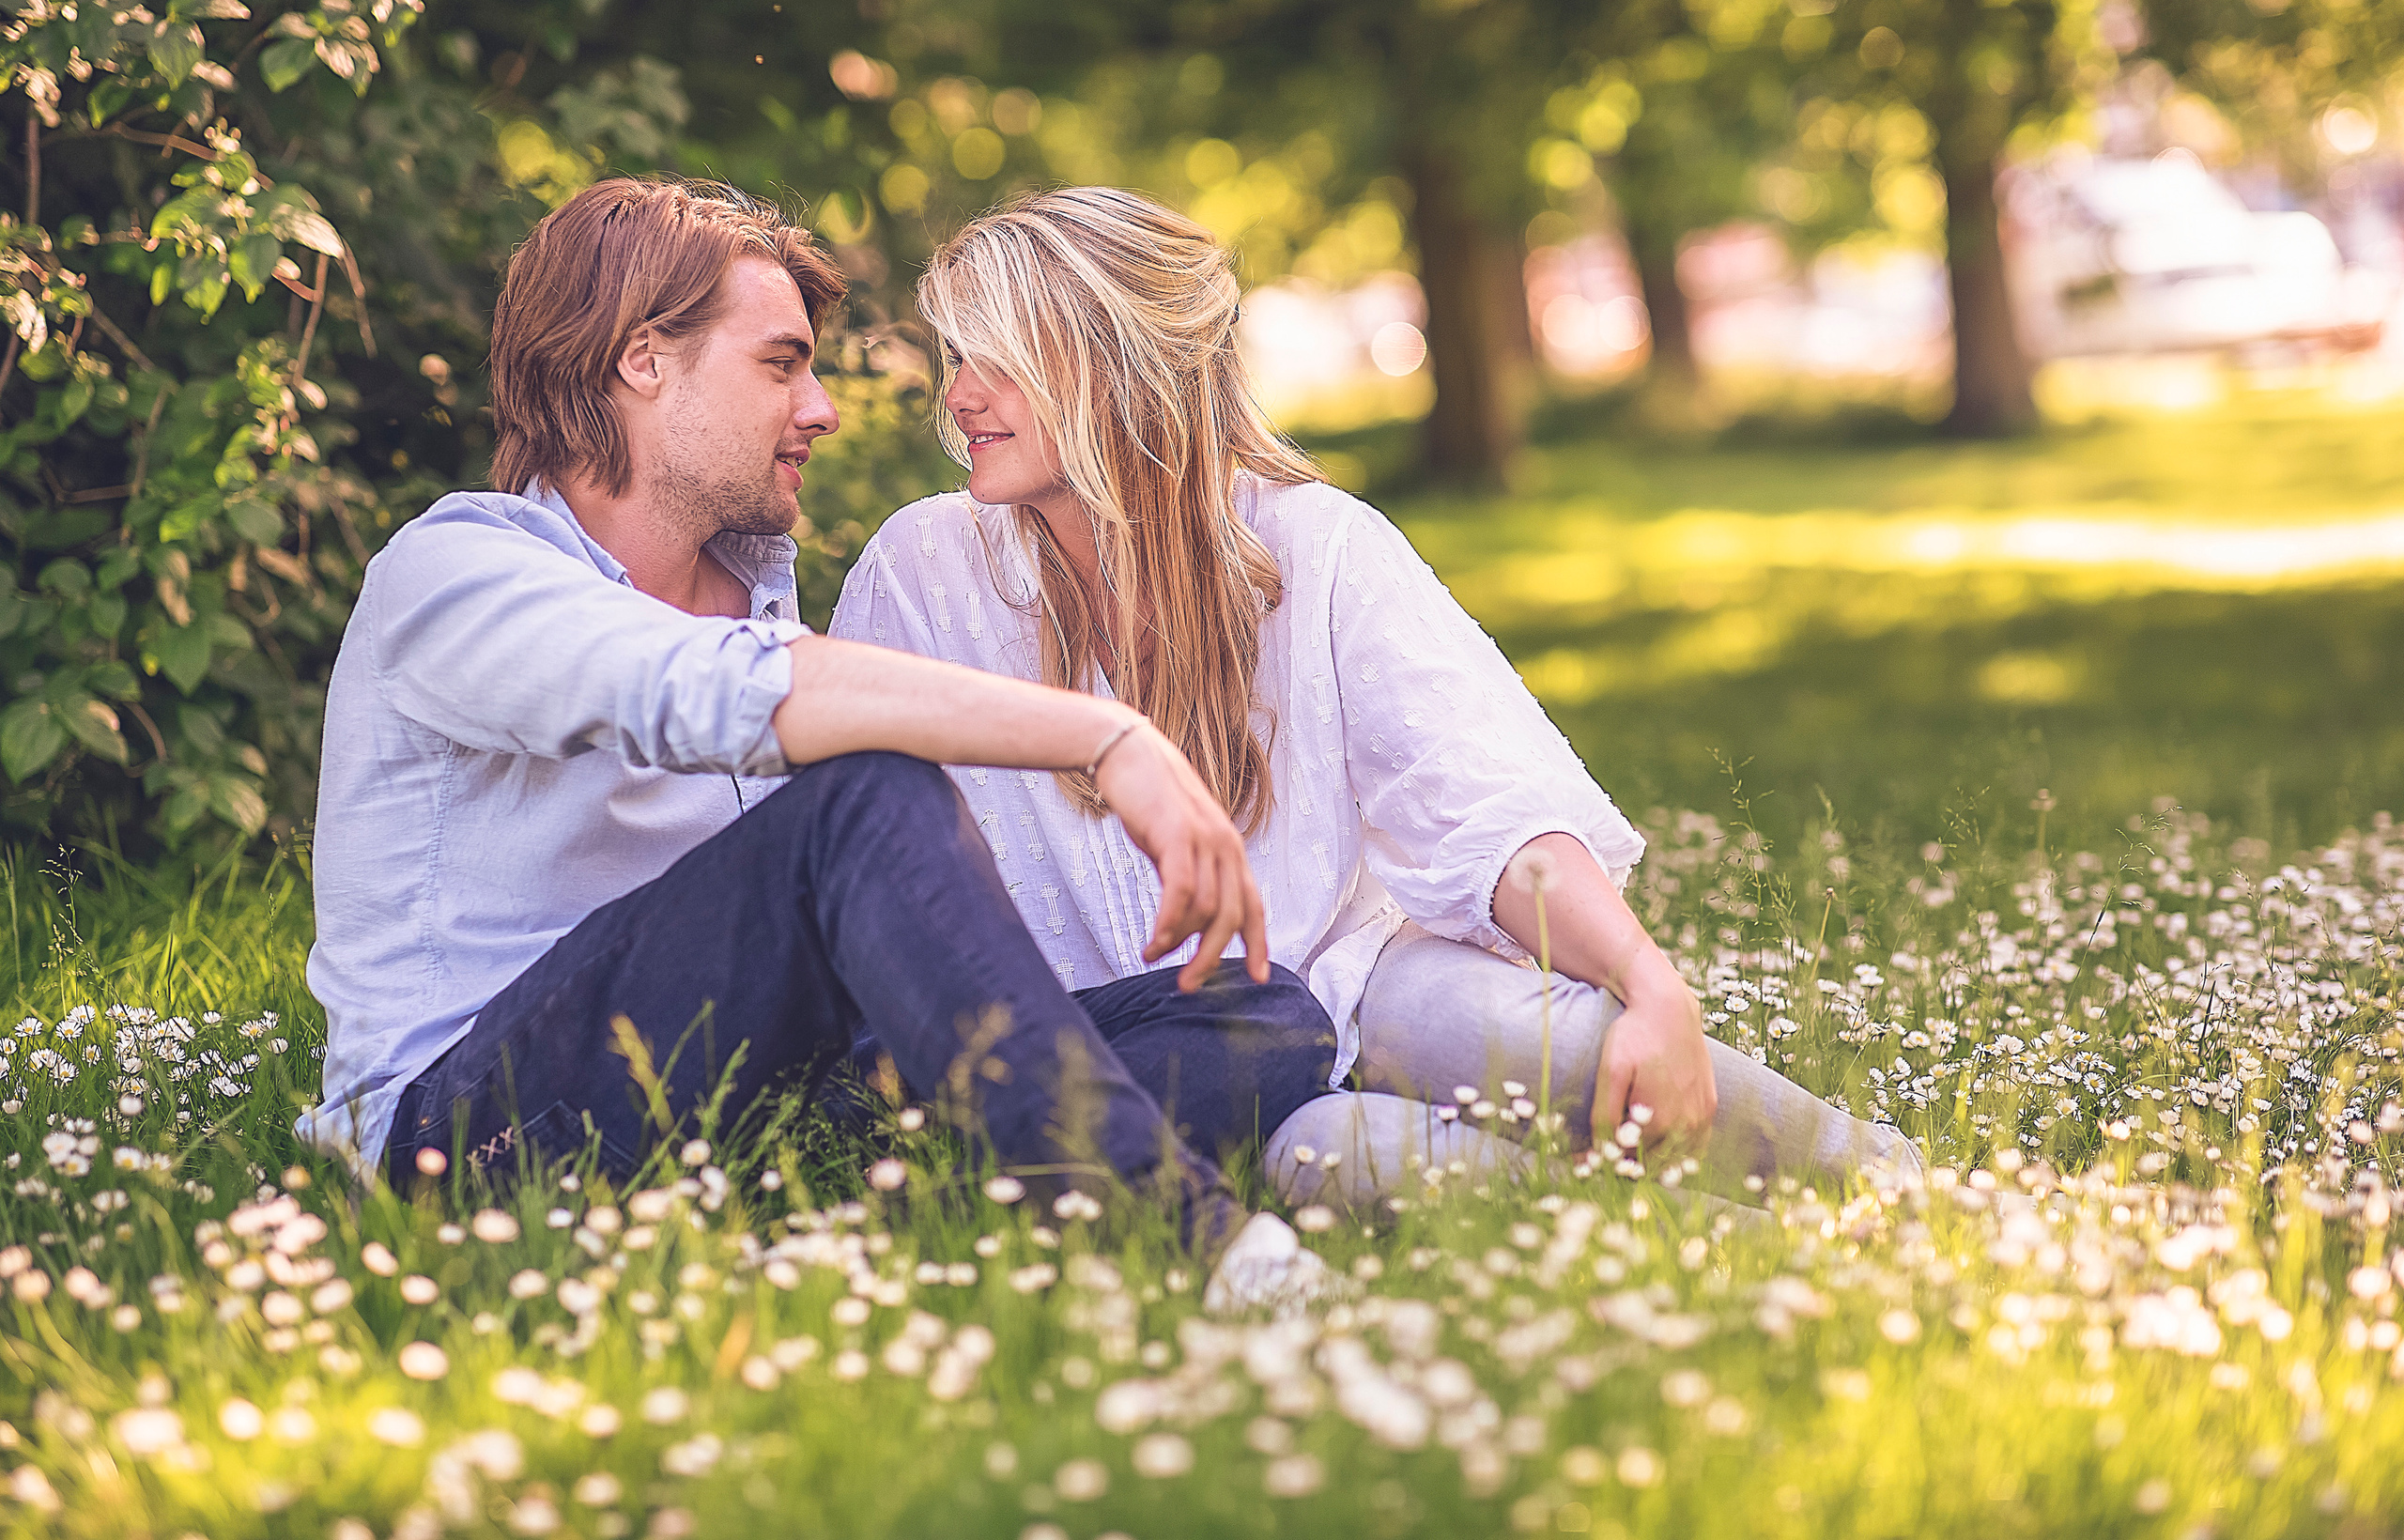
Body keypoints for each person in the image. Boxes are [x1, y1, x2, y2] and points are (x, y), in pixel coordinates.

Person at [295, 177, 1342, 1311]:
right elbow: (690, 692)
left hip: (746, 1100)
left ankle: (846, 1233)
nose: (823, 408)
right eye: (781, 363)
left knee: (1259, 1015)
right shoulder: (456, 575)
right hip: (470, 1138)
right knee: (863, 797)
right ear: (643, 360)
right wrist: (1105, 736)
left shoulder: (756, 604)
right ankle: (1195, 1243)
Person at [829, 187, 1923, 1208]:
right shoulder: (920, 571)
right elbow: (848, 849)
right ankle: (1722, 1255)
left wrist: (1650, 982)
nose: (959, 395)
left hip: (1343, 982)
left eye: (999, 362)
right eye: (957, 358)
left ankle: (1896, 1193)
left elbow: (1483, 805)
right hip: (1146, 1056)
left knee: (1547, 1033)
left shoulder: (1315, 545)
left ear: (1116, 364)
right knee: (1344, 1155)